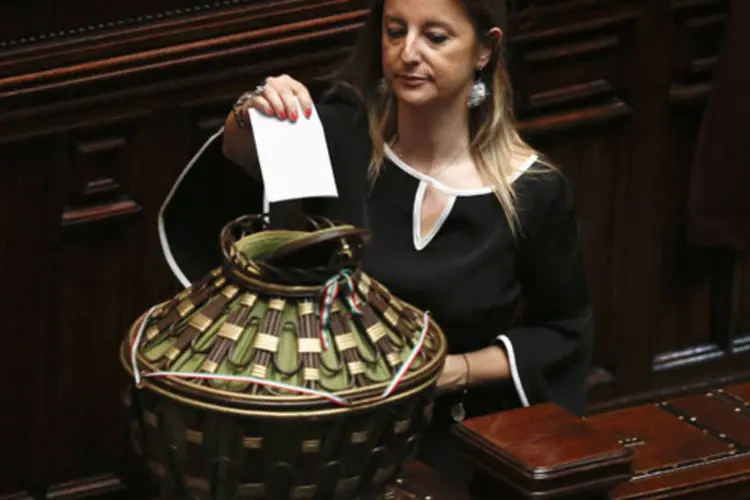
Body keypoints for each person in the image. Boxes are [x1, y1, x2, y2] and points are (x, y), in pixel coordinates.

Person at [159, 0, 593, 488]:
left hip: (451, 442)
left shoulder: (532, 191)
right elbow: (239, 166)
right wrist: (252, 110)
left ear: (485, 49)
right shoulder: (343, 137)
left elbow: (563, 332)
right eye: (395, 30)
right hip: (323, 438)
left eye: (435, 37)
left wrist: (455, 371)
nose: (408, 52)